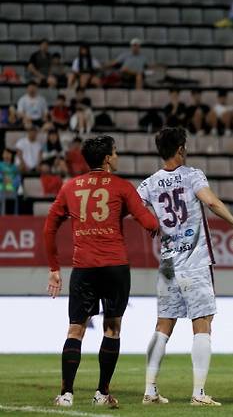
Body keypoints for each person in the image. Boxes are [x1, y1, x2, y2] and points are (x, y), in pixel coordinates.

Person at [44, 135, 159, 408]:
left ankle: (66, 394)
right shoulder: (121, 187)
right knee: (113, 328)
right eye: (115, 152)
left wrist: (53, 269)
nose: (117, 156)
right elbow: (149, 222)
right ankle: (102, 393)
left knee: (75, 330)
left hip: (84, 267)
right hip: (115, 267)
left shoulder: (71, 187)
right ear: (107, 158)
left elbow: (49, 226)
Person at [137, 126, 233, 406]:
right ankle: (198, 393)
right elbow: (210, 201)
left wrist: (151, 223)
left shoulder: (149, 183)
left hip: (168, 265)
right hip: (194, 263)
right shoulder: (193, 175)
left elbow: (133, 208)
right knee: (202, 323)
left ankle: (150, 390)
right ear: (181, 148)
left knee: (162, 325)